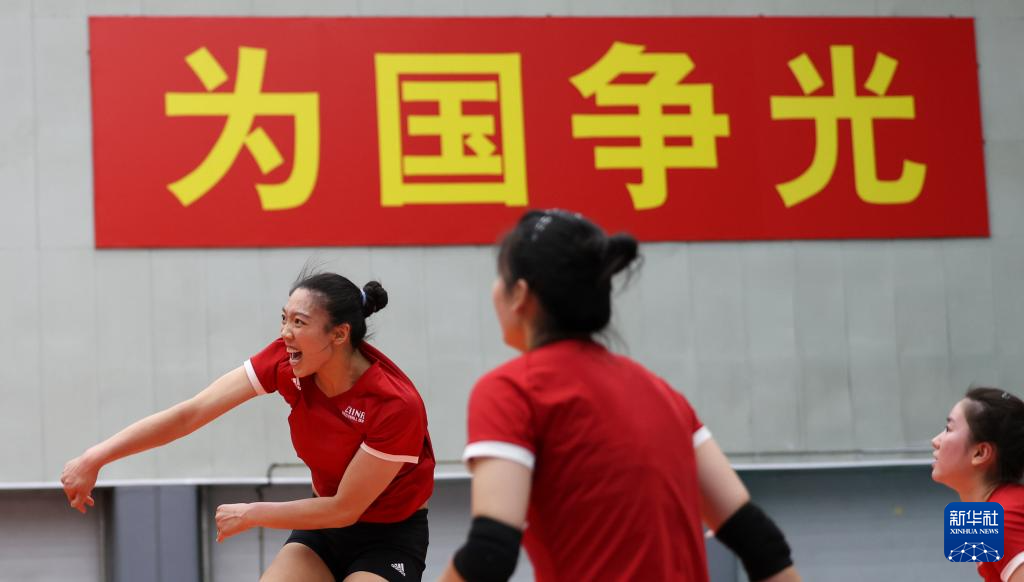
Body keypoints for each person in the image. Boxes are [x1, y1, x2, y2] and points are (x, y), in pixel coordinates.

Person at [439, 209, 801, 582]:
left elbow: (490, 552)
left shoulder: (512, 390)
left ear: (520, 294)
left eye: (500, 275)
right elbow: (760, 543)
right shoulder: (663, 394)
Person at [61, 271, 435, 582]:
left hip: (388, 536)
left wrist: (252, 513)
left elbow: (345, 509)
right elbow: (192, 413)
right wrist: (95, 457)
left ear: (339, 334)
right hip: (324, 530)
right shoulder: (287, 361)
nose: (286, 332)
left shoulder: (394, 405)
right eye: (284, 318)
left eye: (299, 322)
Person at [932, 387, 1024, 582]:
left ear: (980, 453)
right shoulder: (982, 515)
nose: (935, 441)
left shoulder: (1003, 519)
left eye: (949, 429)